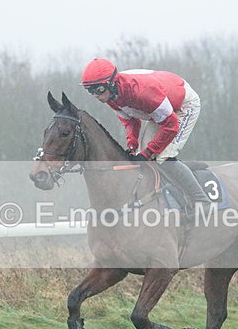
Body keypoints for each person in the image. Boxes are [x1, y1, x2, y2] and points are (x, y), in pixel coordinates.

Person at [80, 58, 212, 214]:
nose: (96, 95)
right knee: (143, 154)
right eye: (90, 91)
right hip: (161, 107)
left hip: (183, 106)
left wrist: (148, 153)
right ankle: (172, 183)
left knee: (161, 157)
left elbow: (171, 125)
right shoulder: (111, 96)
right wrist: (132, 145)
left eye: (99, 90)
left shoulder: (141, 92)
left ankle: (201, 201)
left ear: (111, 83)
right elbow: (131, 121)